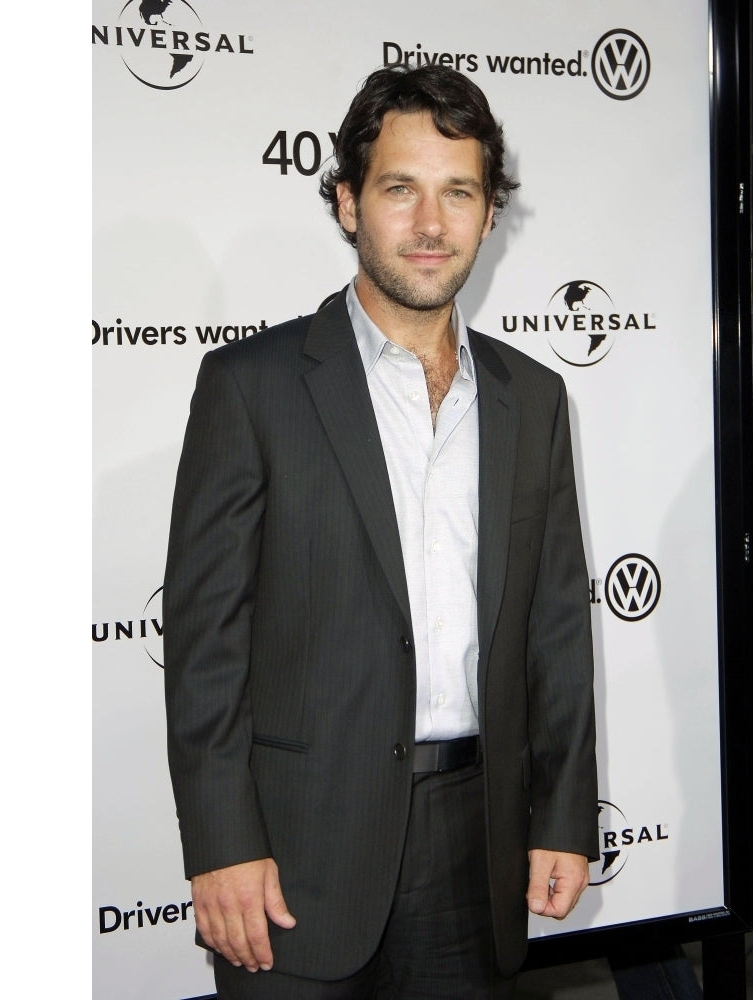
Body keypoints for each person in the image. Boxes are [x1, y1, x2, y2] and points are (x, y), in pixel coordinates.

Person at [164, 64, 598, 999]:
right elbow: (204, 646)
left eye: (459, 193)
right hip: (294, 854)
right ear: (347, 203)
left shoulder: (535, 397)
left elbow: (556, 629)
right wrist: (222, 843)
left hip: (476, 844)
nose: (431, 224)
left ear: (490, 214)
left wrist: (561, 813)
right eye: (401, 189)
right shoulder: (253, 386)